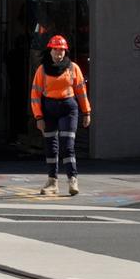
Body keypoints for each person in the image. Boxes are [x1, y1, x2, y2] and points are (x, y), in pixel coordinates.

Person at [31, 35, 91, 196]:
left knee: (68, 145)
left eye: (62, 50)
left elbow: (81, 92)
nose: (59, 53)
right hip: (49, 109)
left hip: (68, 108)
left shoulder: (73, 68)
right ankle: (52, 182)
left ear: (66, 51)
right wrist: (39, 117)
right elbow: (35, 94)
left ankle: (72, 180)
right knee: (51, 146)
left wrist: (86, 112)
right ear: (50, 50)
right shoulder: (42, 70)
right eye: (56, 49)